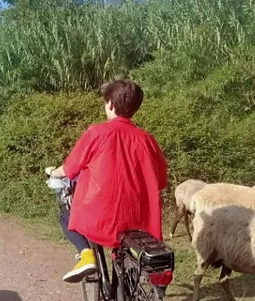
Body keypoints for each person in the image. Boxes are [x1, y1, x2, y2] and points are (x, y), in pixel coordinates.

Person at [44, 79, 168, 283]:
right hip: (138, 215)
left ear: (110, 104)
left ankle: (86, 256)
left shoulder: (97, 132)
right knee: (126, 241)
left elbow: (70, 169)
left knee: (66, 217)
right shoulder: (146, 139)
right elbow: (161, 180)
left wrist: (52, 171)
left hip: (101, 214)